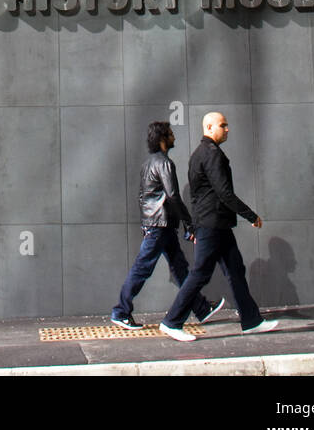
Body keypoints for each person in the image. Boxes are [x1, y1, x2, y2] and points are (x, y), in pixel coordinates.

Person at [158, 111, 277, 340]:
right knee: (201, 273)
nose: (227, 129)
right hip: (212, 225)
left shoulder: (198, 155)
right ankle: (172, 322)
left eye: (227, 125)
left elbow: (200, 195)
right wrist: (251, 215)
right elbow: (224, 193)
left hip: (216, 224)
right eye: (223, 125)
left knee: (235, 271)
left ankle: (251, 320)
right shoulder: (211, 154)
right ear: (210, 128)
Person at [111, 120, 225, 329]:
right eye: (171, 134)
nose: (174, 137)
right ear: (163, 139)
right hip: (160, 225)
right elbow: (172, 196)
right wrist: (189, 224)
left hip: (158, 225)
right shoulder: (164, 163)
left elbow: (143, 197)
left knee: (180, 268)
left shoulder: (148, 163)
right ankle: (121, 311)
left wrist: (146, 223)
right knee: (142, 268)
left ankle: (200, 307)